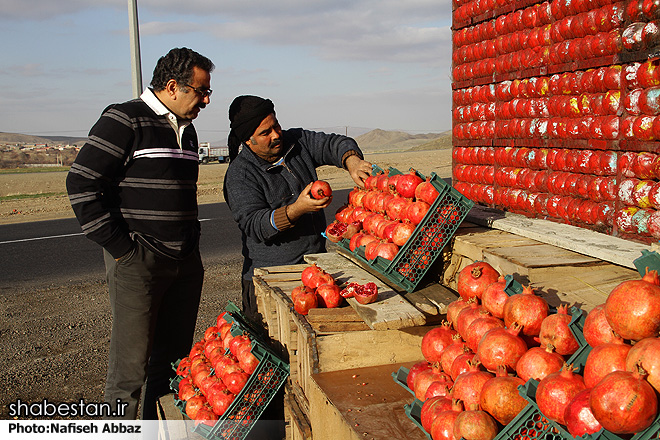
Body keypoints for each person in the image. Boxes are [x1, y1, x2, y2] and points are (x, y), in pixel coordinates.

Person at [66, 47, 214, 420]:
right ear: (172, 86)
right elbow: (81, 184)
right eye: (201, 91)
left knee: (173, 365)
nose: (207, 100)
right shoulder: (125, 119)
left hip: (185, 262)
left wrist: (190, 242)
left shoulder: (189, 130)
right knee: (128, 373)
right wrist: (123, 250)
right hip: (138, 262)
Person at [223, 95, 373, 321]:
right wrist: (297, 209)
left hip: (314, 270)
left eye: (276, 126)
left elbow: (334, 143)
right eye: (265, 133)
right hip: (273, 278)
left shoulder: (296, 142)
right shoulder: (239, 175)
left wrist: (352, 161)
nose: (275, 135)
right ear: (248, 140)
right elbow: (255, 225)